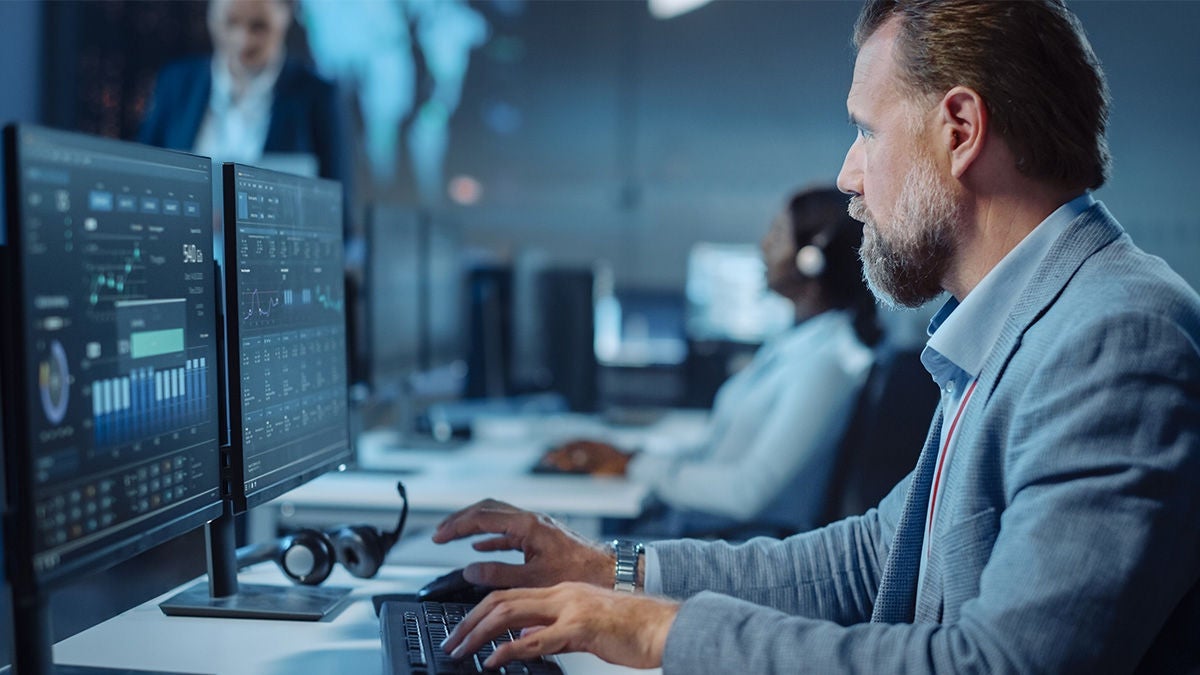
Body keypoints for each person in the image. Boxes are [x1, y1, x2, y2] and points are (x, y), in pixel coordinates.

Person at [426, 0, 1200, 671]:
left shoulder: (1116, 336)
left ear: (960, 129)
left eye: (867, 130)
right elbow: (870, 558)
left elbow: (1001, 662)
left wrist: (664, 630)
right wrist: (613, 569)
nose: (847, 175)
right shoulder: (1021, 327)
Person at [541, 187, 880, 537]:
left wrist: (636, 465)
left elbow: (746, 492)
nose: (764, 246)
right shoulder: (797, 345)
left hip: (740, 545)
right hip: (707, 530)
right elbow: (713, 454)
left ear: (812, 257)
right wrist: (630, 456)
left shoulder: (827, 363)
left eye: (777, 234)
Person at [137, 0, 349, 186]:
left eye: (259, 27)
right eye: (229, 22)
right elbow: (143, 178)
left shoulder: (318, 96)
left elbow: (340, 214)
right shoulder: (175, 84)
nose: (242, 40)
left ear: (287, 15)